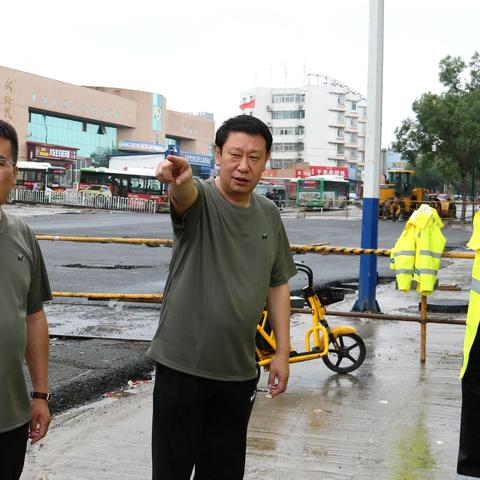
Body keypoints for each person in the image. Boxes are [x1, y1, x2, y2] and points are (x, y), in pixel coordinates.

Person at [149, 115, 296, 480]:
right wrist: (178, 180)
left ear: (266, 161)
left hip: (238, 373)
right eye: (234, 154)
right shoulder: (201, 200)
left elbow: (277, 284)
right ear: (217, 154)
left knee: (224, 473)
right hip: (182, 367)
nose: (243, 166)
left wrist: (281, 352)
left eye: (254, 157)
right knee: (171, 472)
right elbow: (185, 197)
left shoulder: (269, 214)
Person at [0, 120, 52, 480]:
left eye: (0, 161)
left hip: (9, 417)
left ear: (14, 173)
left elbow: (34, 317)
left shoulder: (23, 237)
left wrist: (41, 394)